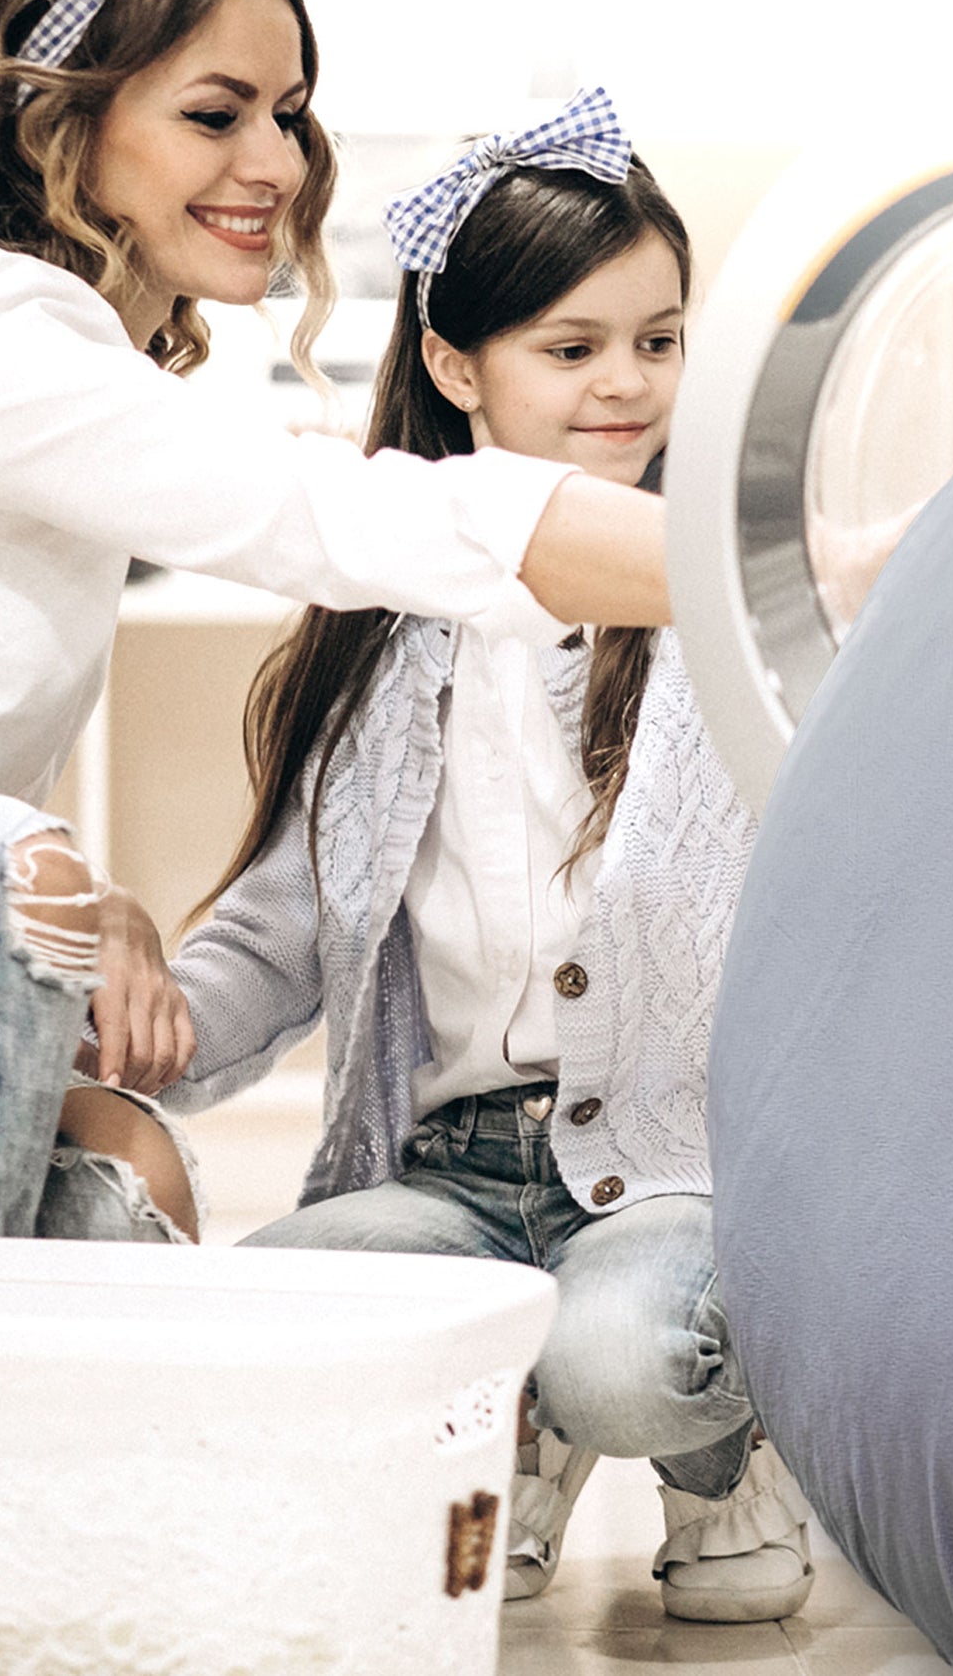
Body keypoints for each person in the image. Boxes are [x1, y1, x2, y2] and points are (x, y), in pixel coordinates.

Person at [0, 0, 669, 1245]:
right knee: (1, 862)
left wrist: (80, 896)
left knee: (124, 1186)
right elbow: (334, 515)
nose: (276, 162)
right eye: (216, 114)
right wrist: (756, 572)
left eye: (291, 114)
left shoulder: (62, 358)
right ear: (59, 127)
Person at [162, 106, 814, 1624]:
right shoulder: (375, 640)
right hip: (448, 1172)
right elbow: (279, 930)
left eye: (658, 340)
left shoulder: (724, 613)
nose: (627, 383)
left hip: (669, 1167)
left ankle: (716, 1462)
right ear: (457, 368)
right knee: (268, 1315)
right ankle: (503, 1439)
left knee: (629, 1356)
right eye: (571, 348)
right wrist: (153, 1026)